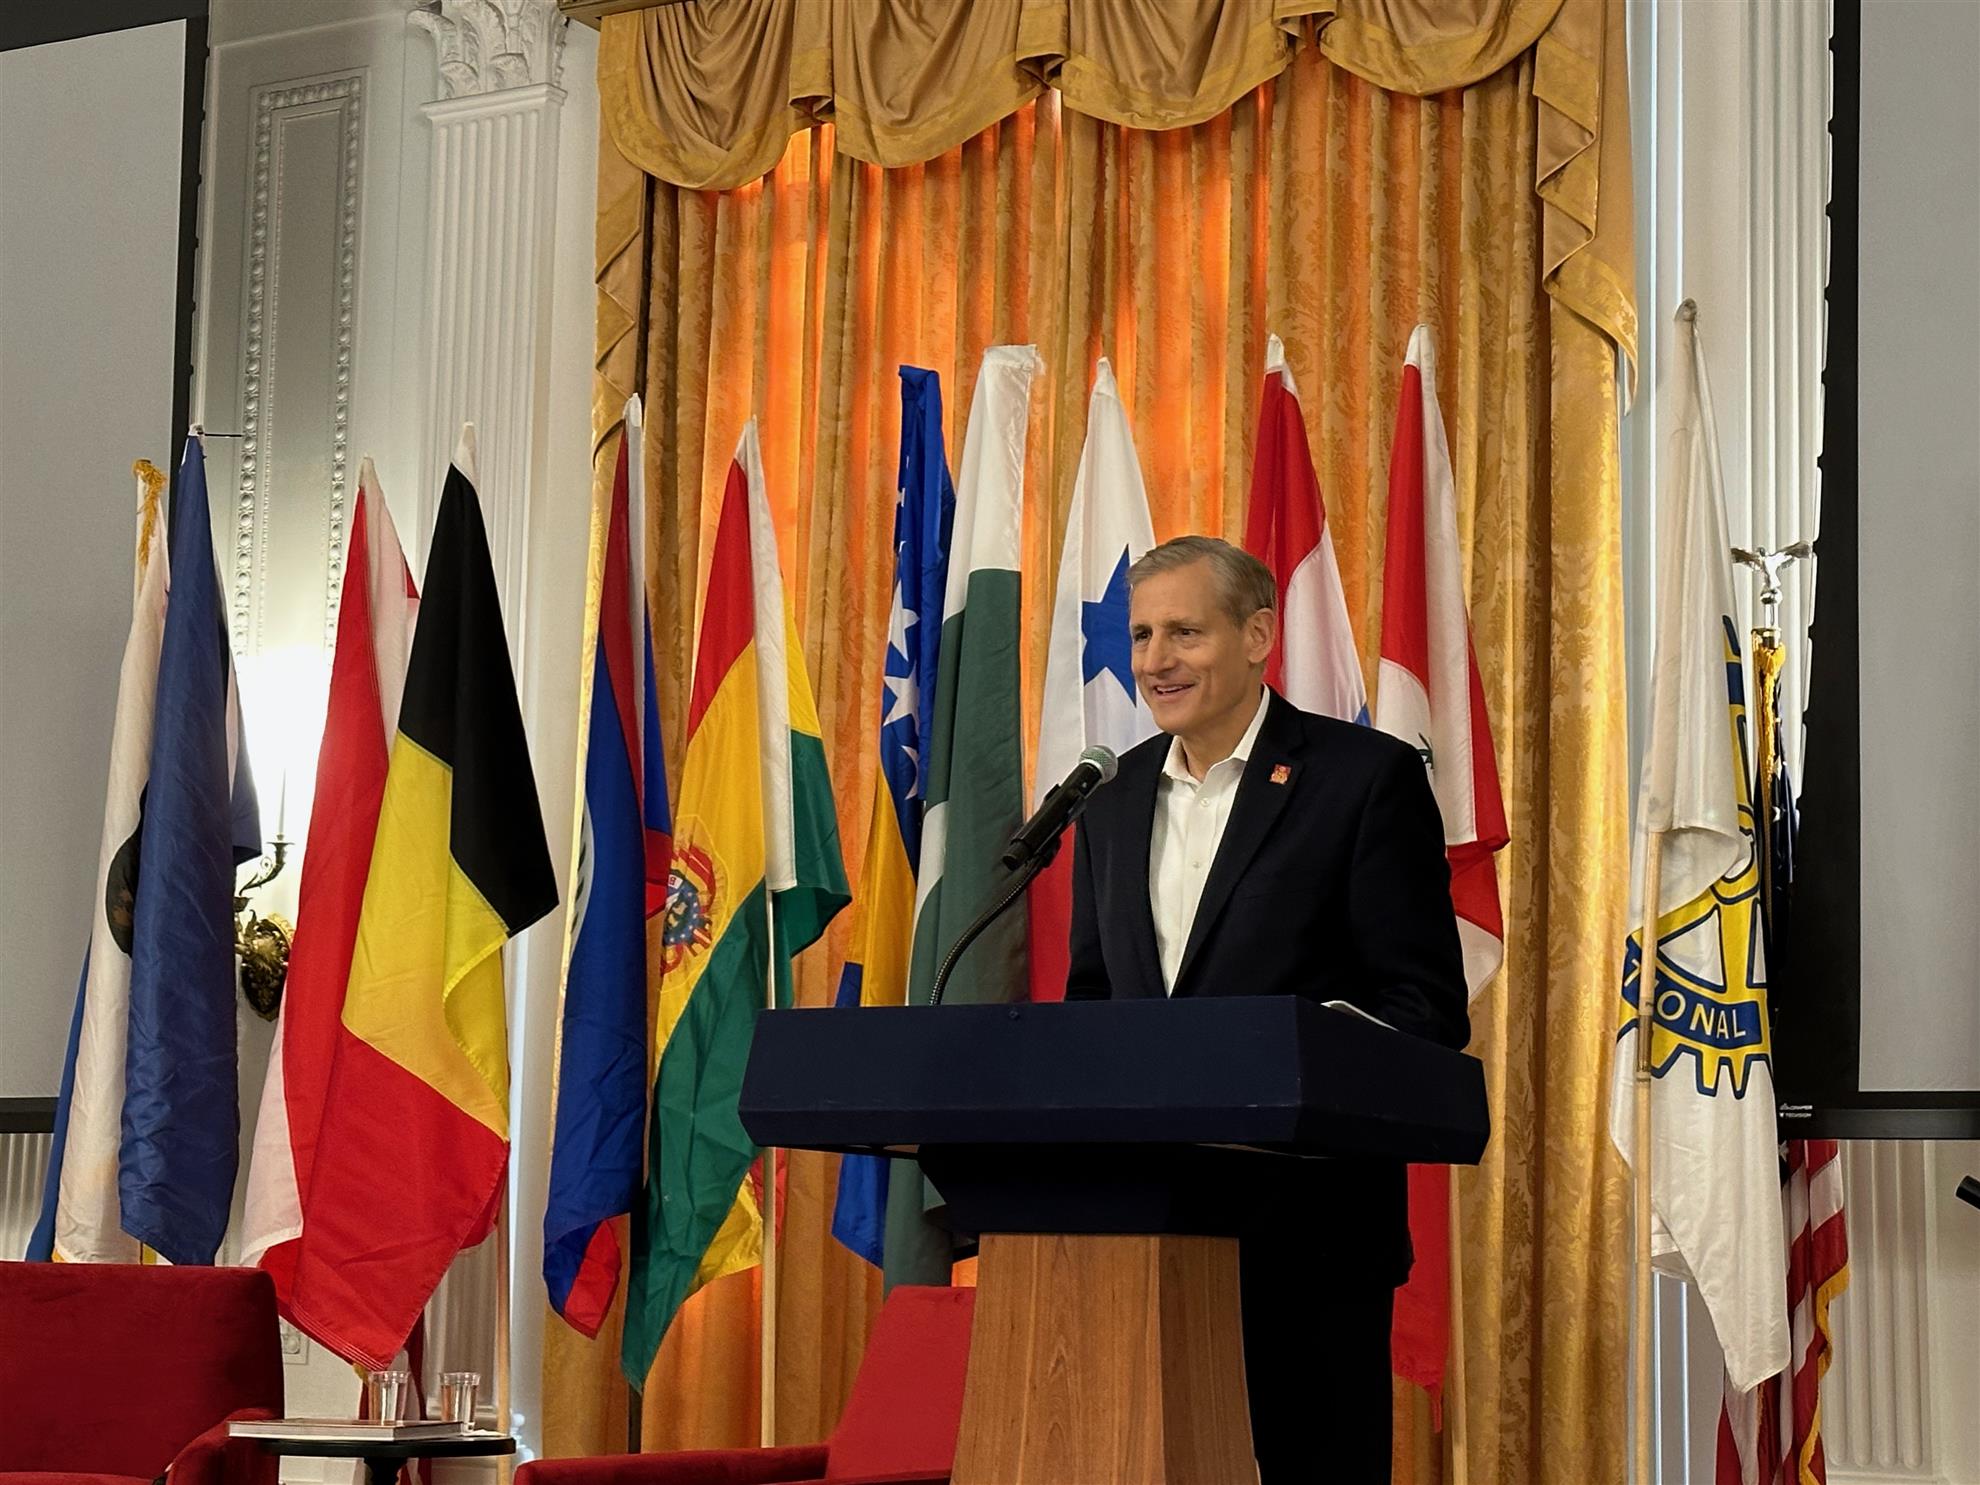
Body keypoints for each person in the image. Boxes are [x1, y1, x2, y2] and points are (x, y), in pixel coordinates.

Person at [1064, 534, 1469, 1483]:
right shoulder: (1110, 797)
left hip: (1310, 1239)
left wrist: (1296, 1054)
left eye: (1185, 632)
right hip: (1146, 1237)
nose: (1156, 660)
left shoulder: (1361, 779)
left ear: (1257, 636)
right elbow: (1094, 1002)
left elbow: (1424, 1008)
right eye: (1142, 635)